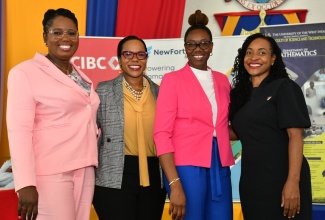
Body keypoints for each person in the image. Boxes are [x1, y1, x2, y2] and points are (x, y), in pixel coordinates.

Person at [6, 8, 100, 220]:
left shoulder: (78, 75)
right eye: (57, 32)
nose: (65, 38)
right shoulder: (24, 73)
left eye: (71, 33)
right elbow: (19, 130)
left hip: (85, 167)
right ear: (45, 37)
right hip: (50, 172)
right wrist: (26, 184)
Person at [154, 10, 235, 220]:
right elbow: (162, 133)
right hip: (186, 166)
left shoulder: (222, 81)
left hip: (219, 162)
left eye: (203, 43)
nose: (197, 49)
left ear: (211, 47)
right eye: (191, 44)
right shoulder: (172, 80)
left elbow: (222, 125)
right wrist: (174, 183)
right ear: (185, 48)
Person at [229, 33, 312, 219]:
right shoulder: (239, 95)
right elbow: (241, 131)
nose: (254, 58)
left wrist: (292, 182)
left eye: (262, 52)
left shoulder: (284, 87)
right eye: (249, 52)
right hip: (252, 179)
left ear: (273, 59)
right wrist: (200, 129)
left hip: (284, 176)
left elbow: (296, 136)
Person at [92, 35, 166, 220]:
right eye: (128, 54)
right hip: (113, 175)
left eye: (141, 54)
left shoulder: (160, 92)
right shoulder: (104, 90)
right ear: (119, 59)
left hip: (153, 176)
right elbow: (88, 132)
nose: (135, 59)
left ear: (146, 59)